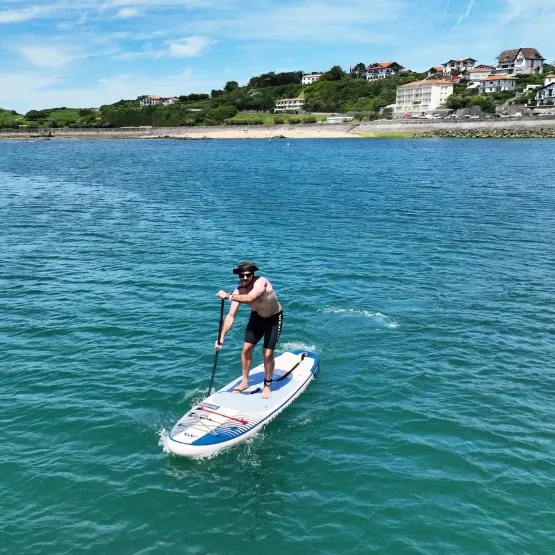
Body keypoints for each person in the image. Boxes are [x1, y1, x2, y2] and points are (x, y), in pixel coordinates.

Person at [215, 261, 283, 399]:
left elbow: (251, 297)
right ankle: (245, 381)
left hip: (274, 318)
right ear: (239, 276)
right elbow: (231, 315)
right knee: (246, 349)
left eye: (248, 275)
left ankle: (267, 385)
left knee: (267, 353)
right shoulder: (239, 291)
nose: (245, 278)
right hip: (257, 317)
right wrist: (221, 337)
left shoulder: (261, 282)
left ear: (253, 274)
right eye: (242, 275)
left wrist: (228, 296)